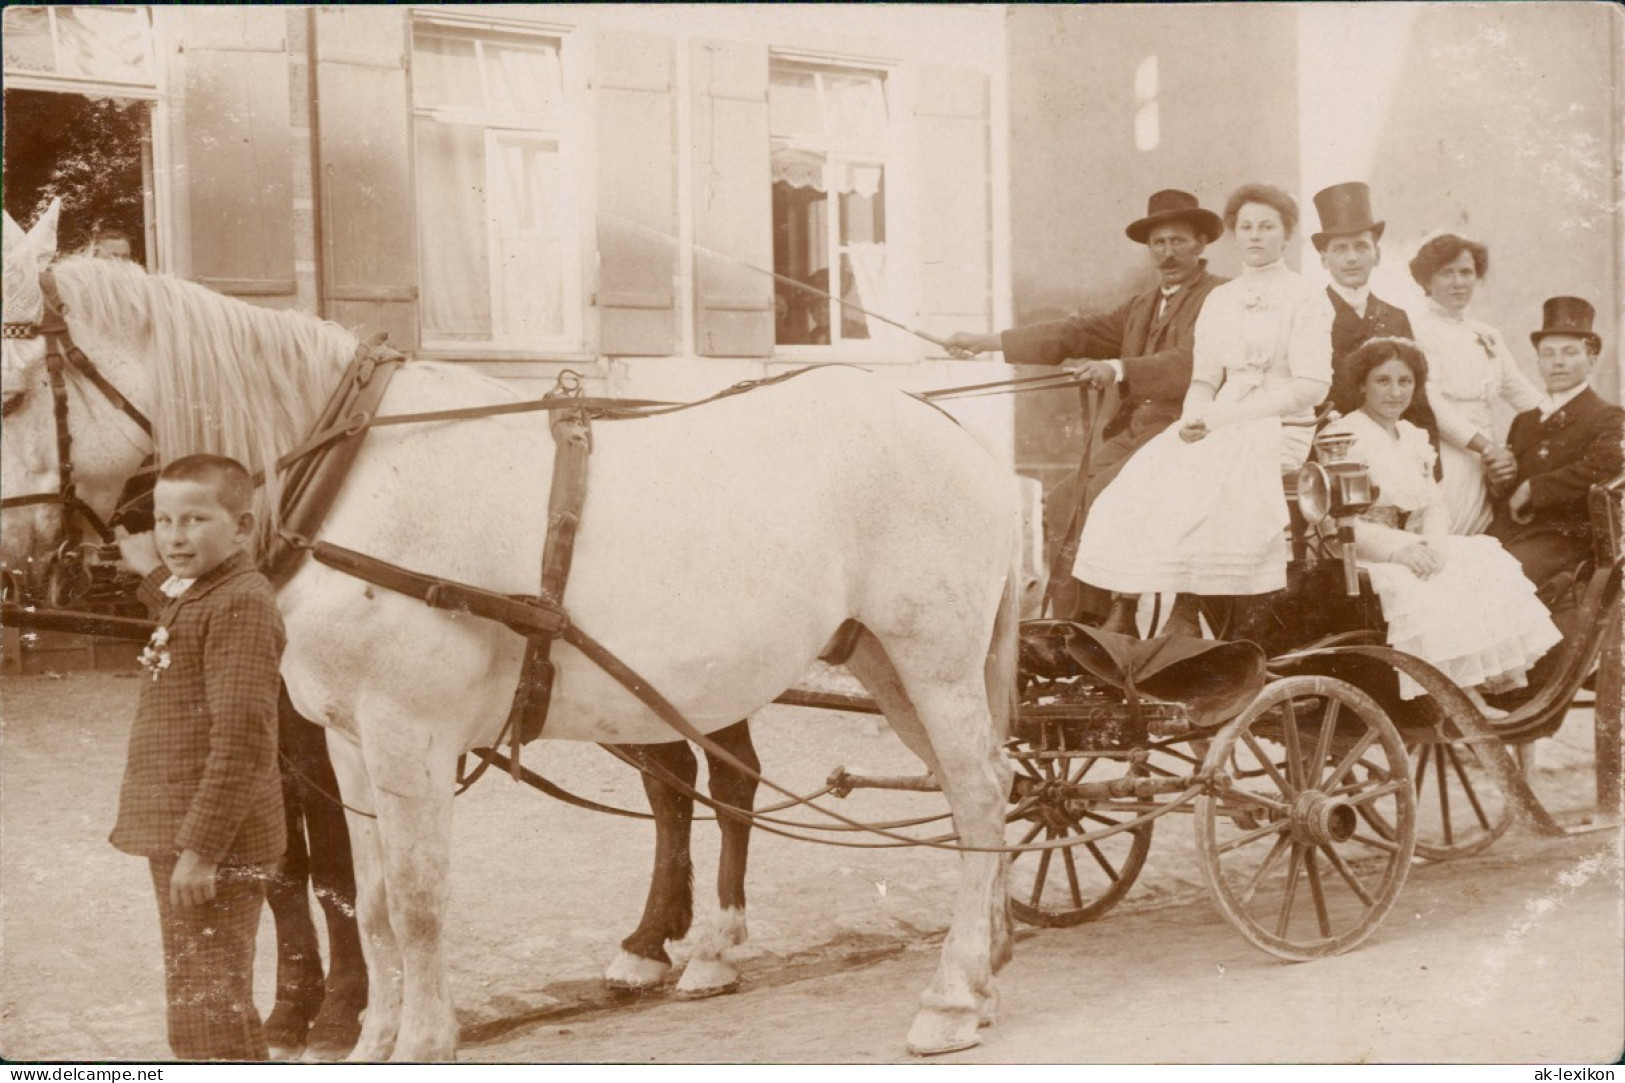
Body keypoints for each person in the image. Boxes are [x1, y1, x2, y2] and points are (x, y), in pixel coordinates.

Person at [944, 188, 1228, 626]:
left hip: (1189, 436)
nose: (1167, 252)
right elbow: (1073, 335)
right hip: (1137, 437)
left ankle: (1109, 619)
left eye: (1178, 241)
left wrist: (1117, 368)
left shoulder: (1220, 299)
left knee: (1099, 496)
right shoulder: (1142, 307)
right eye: (1159, 243)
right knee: (1063, 501)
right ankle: (1075, 628)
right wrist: (985, 343)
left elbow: (1190, 363)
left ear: (1200, 244)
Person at [1071, 183, 1332, 638]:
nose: (1255, 236)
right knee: (1145, 470)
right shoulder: (1222, 299)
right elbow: (1205, 379)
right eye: (1246, 227)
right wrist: (1194, 417)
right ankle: (1125, 601)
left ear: (1286, 234)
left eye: (1267, 227)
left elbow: (1311, 385)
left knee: (1213, 469)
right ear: (1234, 235)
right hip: (1220, 417)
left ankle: (1187, 610)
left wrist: (1222, 420)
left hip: (1282, 421)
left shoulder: (1306, 296)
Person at [111, 455, 286, 1061]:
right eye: (163, 520)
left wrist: (203, 850)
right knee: (201, 1000)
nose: (174, 536)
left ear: (241, 528)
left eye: (193, 519)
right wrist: (153, 574)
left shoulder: (242, 601)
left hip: (215, 844)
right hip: (189, 836)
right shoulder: (208, 590)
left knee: (211, 1012)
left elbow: (242, 740)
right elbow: (184, 609)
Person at [1327, 338, 1561, 714]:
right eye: (1383, 381)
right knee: (1418, 583)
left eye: (1405, 382)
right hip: (1364, 548)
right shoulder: (1345, 435)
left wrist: (1434, 546)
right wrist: (1398, 552)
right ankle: (1457, 698)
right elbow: (1336, 521)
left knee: (1480, 556)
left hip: (1415, 540)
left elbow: (1434, 505)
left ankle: (1468, 685)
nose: (1395, 392)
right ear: (1361, 386)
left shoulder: (1414, 437)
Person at [1407, 233, 1541, 534]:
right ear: (1427, 281)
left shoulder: (1486, 333)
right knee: (1449, 530)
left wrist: (1563, 417)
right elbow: (1433, 405)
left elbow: (1518, 389)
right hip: (1447, 452)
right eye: (1447, 273)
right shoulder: (1420, 332)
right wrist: (1486, 447)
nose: (1459, 282)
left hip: (1489, 455)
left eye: (1466, 272)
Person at [1490, 297, 1625, 589]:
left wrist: (1533, 488)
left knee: (1497, 580)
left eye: (1570, 352)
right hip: (1514, 531)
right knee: (1460, 568)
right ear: (1538, 362)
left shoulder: (1608, 417)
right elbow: (1509, 490)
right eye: (1548, 354)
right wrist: (1500, 481)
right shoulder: (1525, 421)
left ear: (1591, 360)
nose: (1558, 362)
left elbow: (1604, 468)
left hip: (1567, 538)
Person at [1308, 181, 1440, 470]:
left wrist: (1429, 466)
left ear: (1377, 255)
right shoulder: (1308, 313)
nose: (1352, 257)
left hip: (1391, 453)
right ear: (1323, 258)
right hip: (1330, 451)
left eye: (1361, 246)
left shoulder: (1395, 317)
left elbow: (1415, 394)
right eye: (1340, 249)